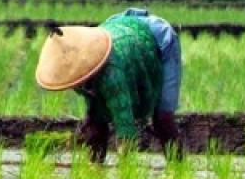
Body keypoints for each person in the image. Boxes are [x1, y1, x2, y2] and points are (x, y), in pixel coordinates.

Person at [35, 9, 182, 163]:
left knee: (162, 118)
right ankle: (95, 169)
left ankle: (177, 166)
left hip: (158, 38)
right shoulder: (76, 70)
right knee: (96, 122)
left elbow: (125, 122)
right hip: (117, 28)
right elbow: (95, 107)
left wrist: (125, 161)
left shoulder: (111, 74)